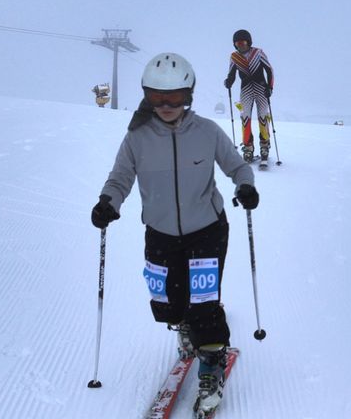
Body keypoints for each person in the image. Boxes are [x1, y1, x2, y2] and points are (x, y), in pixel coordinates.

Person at [91, 52, 258, 415]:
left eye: (175, 98)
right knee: (168, 302)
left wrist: (245, 186)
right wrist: (108, 202)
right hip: (161, 231)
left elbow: (236, 165)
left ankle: (211, 366)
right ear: (147, 96)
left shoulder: (207, 132)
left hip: (207, 230)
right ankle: (183, 324)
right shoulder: (137, 137)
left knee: (204, 305)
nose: (166, 105)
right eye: (156, 98)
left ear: (189, 96)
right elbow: (121, 177)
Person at [224, 29, 275, 163]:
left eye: (243, 42)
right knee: (245, 117)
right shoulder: (234, 57)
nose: (241, 45)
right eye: (237, 43)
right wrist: (228, 81)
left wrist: (270, 87)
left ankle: (265, 145)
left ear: (248, 42)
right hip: (246, 90)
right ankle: (248, 148)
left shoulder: (258, 53)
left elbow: (269, 70)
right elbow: (231, 74)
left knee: (262, 116)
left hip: (261, 88)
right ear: (234, 44)